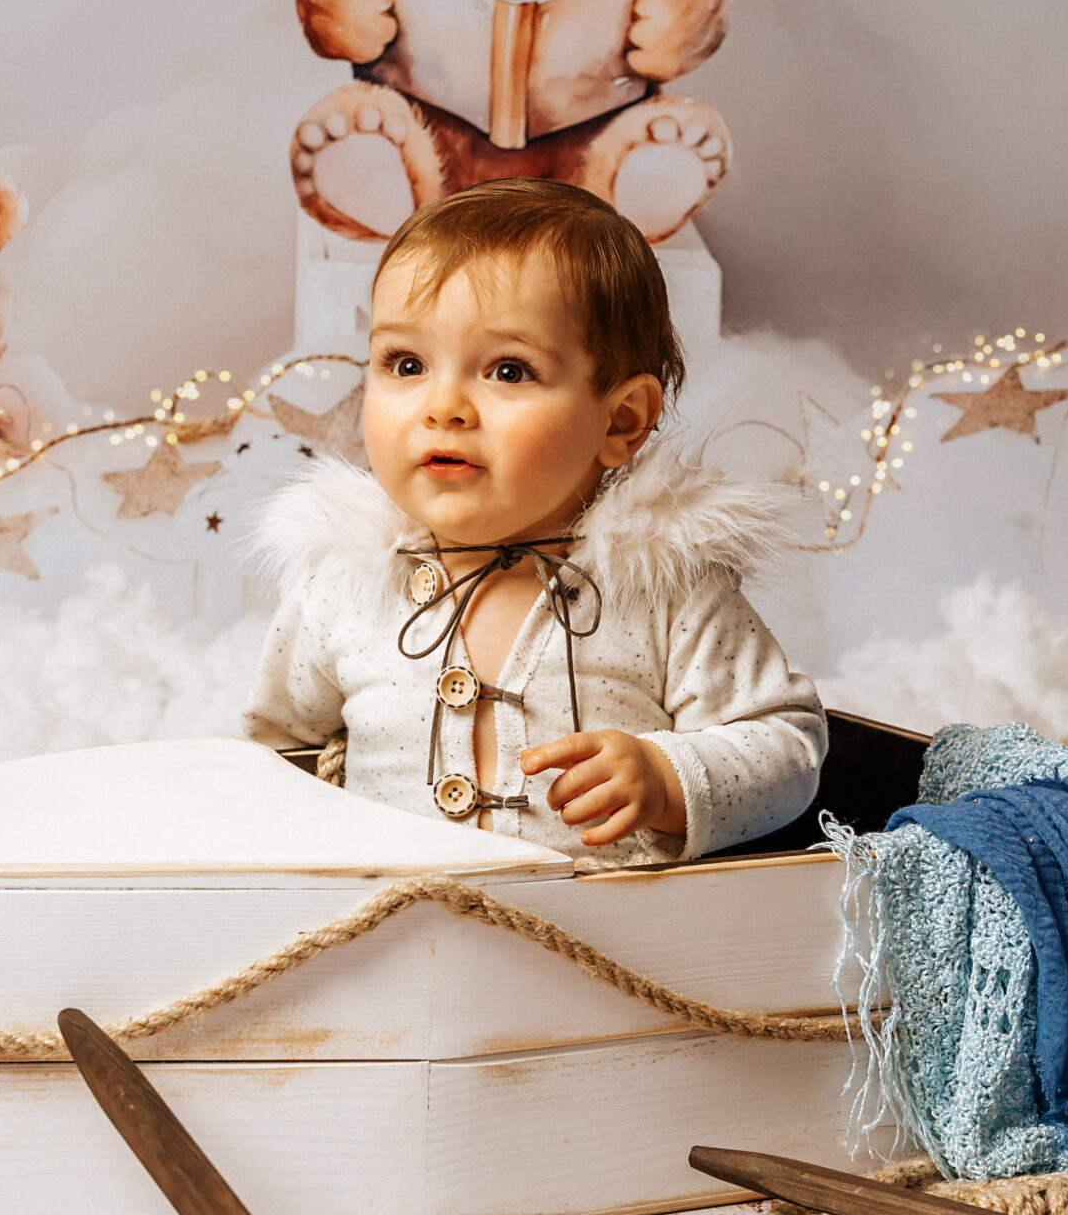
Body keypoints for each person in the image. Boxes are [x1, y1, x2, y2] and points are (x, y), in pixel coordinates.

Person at [244, 178, 825, 865]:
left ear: (621, 420)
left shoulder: (666, 593)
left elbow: (785, 746)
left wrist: (667, 778)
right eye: (407, 363)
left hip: (603, 930)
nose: (444, 407)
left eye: (509, 371)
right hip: (394, 923)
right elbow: (273, 755)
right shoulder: (344, 585)